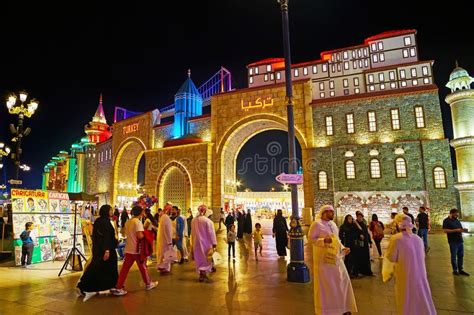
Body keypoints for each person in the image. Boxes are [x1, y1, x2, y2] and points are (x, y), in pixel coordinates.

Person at [308, 205, 357, 315]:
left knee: (342, 282)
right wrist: (323, 240)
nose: (332, 214)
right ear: (324, 213)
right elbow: (311, 239)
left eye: (332, 212)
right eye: (330, 212)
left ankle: (342, 307)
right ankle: (328, 311)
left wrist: (343, 248)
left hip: (336, 259)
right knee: (328, 286)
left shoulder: (333, 225)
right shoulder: (316, 224)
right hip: (323, 262)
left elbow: (336, 240)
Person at [382, 214, 436, 314]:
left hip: (405, 274)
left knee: (406, 297)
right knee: (421, 295)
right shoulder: (418, 239)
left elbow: (391, 257)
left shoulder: (396, 239)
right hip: (420, 274)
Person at [113, 206, 158, 296]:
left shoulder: (128, 221)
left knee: (124, 269)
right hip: (137, 250)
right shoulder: (137, 222)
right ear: (141, 213)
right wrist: (147, 233)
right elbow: (140, 236)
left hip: (129, 248)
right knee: (143, 267)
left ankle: (119, 286)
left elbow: (123, 232)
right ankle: (148, 283)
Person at [77, 205, 119, 302]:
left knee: (98, 267)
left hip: (99, 249)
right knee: (100, 267)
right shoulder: (105, 222)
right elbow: (106, 237)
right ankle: (84, 285)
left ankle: (110, 285)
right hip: (106, 250)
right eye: (110, 210)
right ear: (106, 211)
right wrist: (107, 250)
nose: (112, 212)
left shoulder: (99, 221)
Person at [191, 204, 217, 282]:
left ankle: (201, 275)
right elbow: (211, 233)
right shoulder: (208, 221)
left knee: (199, 259)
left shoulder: (193, 220)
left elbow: (192, 232)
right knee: (206, 259)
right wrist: (214, 243)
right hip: (206, 244)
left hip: (196, 243)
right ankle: (204, 275)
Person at [443, 209, 469, 276]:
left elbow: (459, 229)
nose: (456, 216)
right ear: (451, 213)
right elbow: (445, 230)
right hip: (453, 241)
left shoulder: (457, 220)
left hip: (460, 240)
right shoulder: (446, 221)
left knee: (461, 255)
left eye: (457, 215)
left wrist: (463, 230)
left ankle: (460, 269)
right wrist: (456, 230)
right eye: (455, 215)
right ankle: (455, 270)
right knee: (454, 256)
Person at [353, 211, 374, 276]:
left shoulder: (363, 224)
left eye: (361, 217)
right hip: (359, 244)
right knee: (359, 257)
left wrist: (370, 242)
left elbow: (366, 233)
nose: (360, 218)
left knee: (366, 257)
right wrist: (359, 235)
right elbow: (353, 233)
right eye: (358, 217)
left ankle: (367, 271)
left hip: (365, 243)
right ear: (357, 217)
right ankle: (359, 271)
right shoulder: (355, 224)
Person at [156, 203, 173, 273]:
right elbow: (168, 230)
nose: (171, 211)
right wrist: (169, 241)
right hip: (166, 240)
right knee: (166, 254)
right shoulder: (166, 217)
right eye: (170, 210)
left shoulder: (163, 217)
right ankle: (164, 268)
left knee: (162, 254)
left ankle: (162, 267)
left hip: (162, 239)